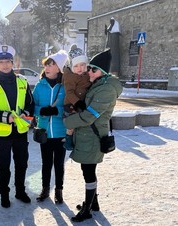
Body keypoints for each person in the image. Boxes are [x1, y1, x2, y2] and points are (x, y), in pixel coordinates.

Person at [63, 48, 123, 222]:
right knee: (87, 170)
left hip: (93, 137)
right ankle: (93, 203)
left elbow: (90, 116)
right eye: (89, 68)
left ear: (102, 72)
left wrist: (68, 123)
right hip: (87, 135)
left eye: (92, 69)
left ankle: (87, 210)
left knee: (89, 172)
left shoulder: (106, 90)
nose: (88, 71)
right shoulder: (98, 84)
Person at [0, 45, 34, 208]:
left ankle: (20, 191)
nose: (5, 65)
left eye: (8, 61)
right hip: (1, 134)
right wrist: (6, 117)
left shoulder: (22, 82)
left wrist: (26, 114)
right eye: (1, 62)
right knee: (3, 167)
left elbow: (30, 105)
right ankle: (4, 195)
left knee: (22, 164)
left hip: (20, 132)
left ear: (13, 63)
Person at [32, 50, 68, 204]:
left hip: (61, 132)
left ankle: (59, 191)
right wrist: (42, 111)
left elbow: (69, 109)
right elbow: (32, 107)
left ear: (59, 68)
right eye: (46, 64)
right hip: (44, 131)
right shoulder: (40, 86)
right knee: (46, 163)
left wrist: (57, 111)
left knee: (59, 164)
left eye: (52, 64)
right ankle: (45, 189)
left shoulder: (65, 87)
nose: (47, 67)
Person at [62, 44, 91, 151]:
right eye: (76, 66)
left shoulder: (87, 74)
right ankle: (68, 139)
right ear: (71, 66)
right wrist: (77, 103)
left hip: (82, 102)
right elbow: (69, 93)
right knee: (72, 125)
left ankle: (79, 141)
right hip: (70, 104)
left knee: (82, 124)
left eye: (82, 65)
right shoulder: (70, 76)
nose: (80, 68)